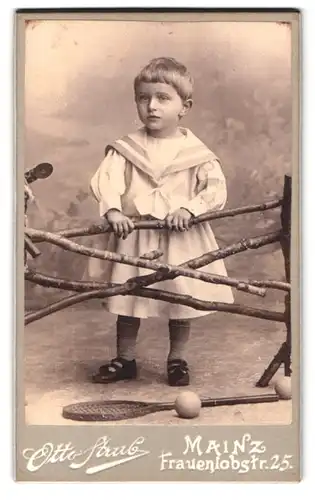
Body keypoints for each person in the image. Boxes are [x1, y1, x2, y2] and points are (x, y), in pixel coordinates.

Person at [89, 57, 234, 386]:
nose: (152, 106)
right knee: (130, 295)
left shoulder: (195, 152)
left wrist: (190, 209)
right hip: (136, 235)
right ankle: (125, 359)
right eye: (143, 98)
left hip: (180, 236)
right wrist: (113, 210)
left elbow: (214, 189)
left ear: (185, 106)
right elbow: (107, 180)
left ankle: (177, 359)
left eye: (163, 98)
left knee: (180, 297)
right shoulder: (127, 148)